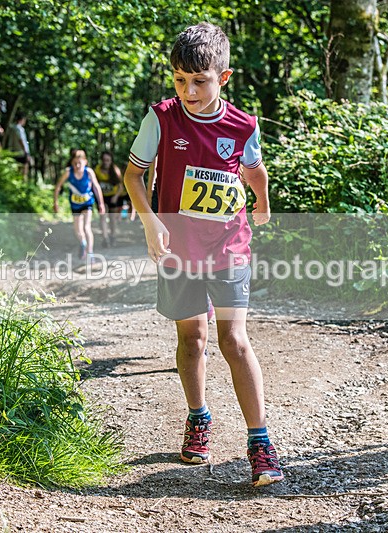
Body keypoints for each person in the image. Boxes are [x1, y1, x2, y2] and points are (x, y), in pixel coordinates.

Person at [123, 22, 282, 487]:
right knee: (192, 338)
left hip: (228, 245)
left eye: (200, 81)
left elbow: (255, 172)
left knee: (234, 339)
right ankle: (198, 416)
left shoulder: (242, 126)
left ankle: (260, 442)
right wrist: (150, 219)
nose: (188, 91)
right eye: (179, 80)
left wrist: (263, 204)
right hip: (178, 248)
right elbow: (134, 177)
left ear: (224, 77)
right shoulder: (161, 118)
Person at [54, 149, 106, 260]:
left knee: (87, 227)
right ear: (72, 163)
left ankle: (90, 253)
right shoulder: (69, 172)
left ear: (85, 162)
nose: (77, 165)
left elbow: (96, 187)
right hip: (75, 204)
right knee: (77, 230)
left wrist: (101, 203)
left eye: (79, 163)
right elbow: (58, 187)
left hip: (87, 203)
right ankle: (83, 243)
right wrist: (56, 202)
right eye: (75, 163)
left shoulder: (89, 172)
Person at [94, 151, 124, 247]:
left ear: (111, 161)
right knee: (103, 217)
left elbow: (121, 187)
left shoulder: (115, 170)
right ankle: (105, 238)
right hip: (102, 197)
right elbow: (94, 184)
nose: (106, 162)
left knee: (112, 219)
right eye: (104, 160)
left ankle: (113, 236)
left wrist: (116, 196)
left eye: (108, 160)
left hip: (113, 197)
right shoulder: (97, 170)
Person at [6, 112, 34, 181]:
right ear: (21, 120)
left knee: (17, 169)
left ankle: (17, 183)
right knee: (24, 170)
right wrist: (26, 152)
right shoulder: (19, 129)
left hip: (13, 151)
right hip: (21, 152)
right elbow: (21, 140)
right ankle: (23, 184)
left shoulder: (12, 127)